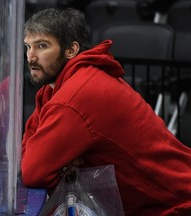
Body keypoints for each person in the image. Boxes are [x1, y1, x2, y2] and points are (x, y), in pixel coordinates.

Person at [21, 8, 191, 216]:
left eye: (42, 46)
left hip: (178, 205)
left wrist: (57, 164)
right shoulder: (54, 90)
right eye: (28, 46)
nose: (31, 57)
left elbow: (33, 172)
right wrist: (58, 163)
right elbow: (26, 154)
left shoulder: (75, 96)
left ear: (70, 50)